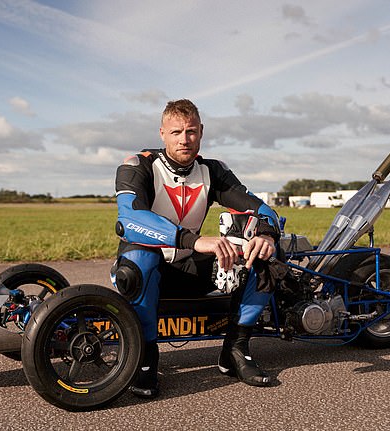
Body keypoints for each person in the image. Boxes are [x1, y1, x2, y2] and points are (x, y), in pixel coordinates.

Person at [112, 99, 280, 398]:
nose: (184, 139)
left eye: (191, 131)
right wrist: (194, 240)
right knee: (139, 259)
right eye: (176, 132)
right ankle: (145, 360)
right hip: (148, 269)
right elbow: (130, 219)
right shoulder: (138, 166)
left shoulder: (212, 170)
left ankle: (236, 352)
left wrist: (266, 235)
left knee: (263, 259)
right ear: (162, 133)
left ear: (201, 132)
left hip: (188, 265)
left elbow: (261, 208)